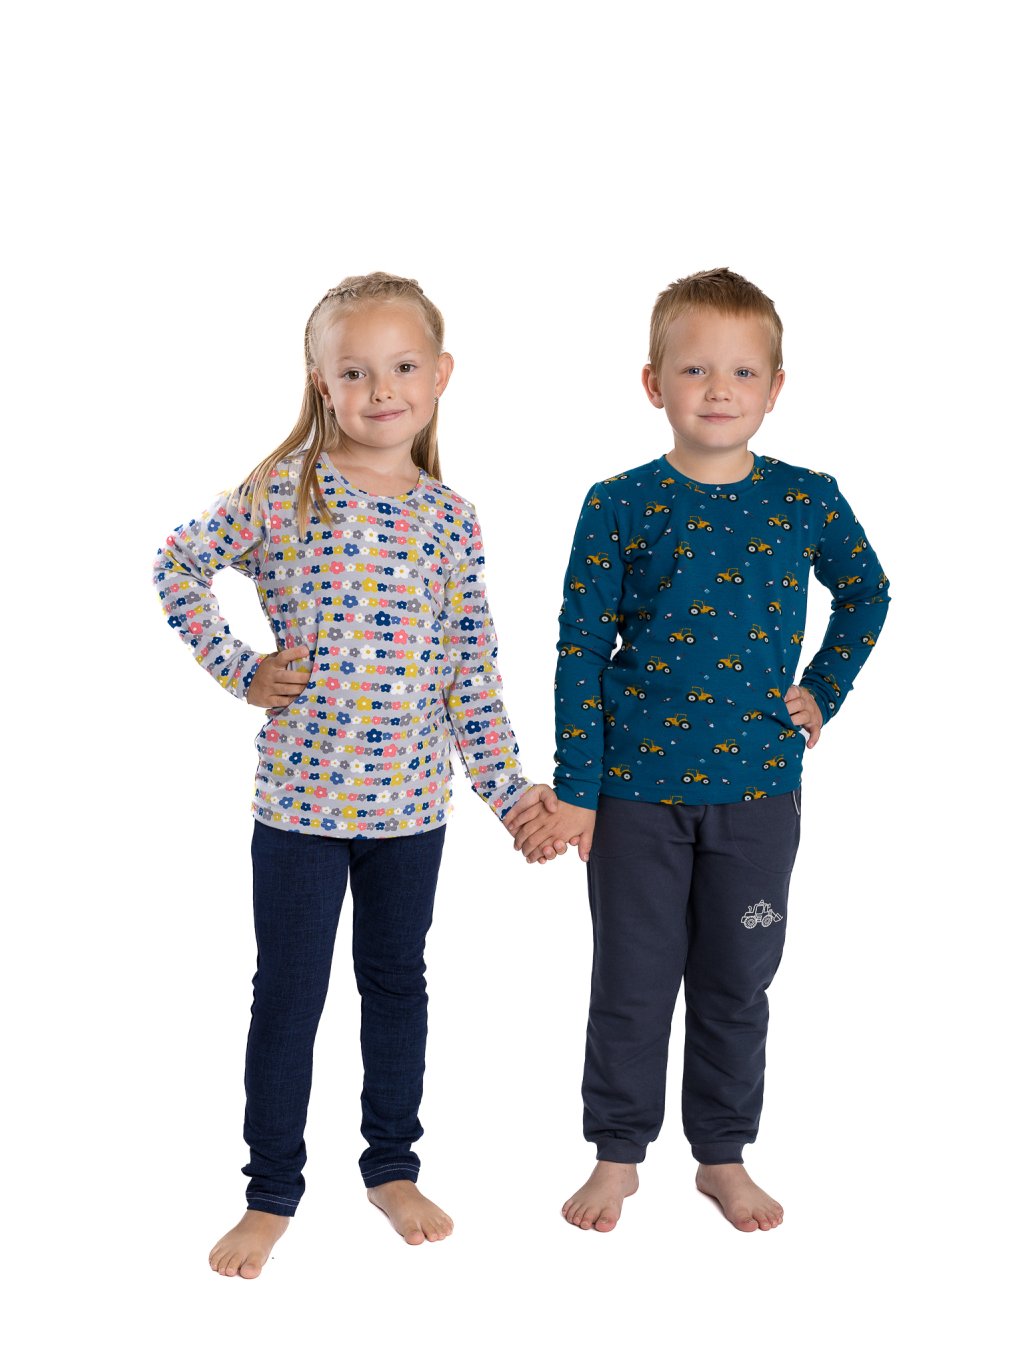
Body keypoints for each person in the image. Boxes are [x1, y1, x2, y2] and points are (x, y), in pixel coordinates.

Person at [154, 271, 557, 1277]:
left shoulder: (451, 517)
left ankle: (391, 1167)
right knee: (288, 994)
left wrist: (512, 796)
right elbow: (176, 565)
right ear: (321, 382)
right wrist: (242, 669)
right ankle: (270, 1192)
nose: (383, 389)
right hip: (300, 806)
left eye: (404, 366)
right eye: (356, 371)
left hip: (412, 813)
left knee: (396, 985)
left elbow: (470, 669)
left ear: (441, 375)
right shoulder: (284, 490)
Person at [507, 267, 890, 1234]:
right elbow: (579, 648)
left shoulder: (806, 498)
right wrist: (579, 789)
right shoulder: (620, 502)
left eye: (743, 371)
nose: (719, 389)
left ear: (775, 387)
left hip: (757, 795)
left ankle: (723, 1154)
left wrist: (824, 688)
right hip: (635, 795)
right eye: (694, 370)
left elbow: (868, 591)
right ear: (653, 383)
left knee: (737, 979)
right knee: (631, 982)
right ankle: (617, 1155)